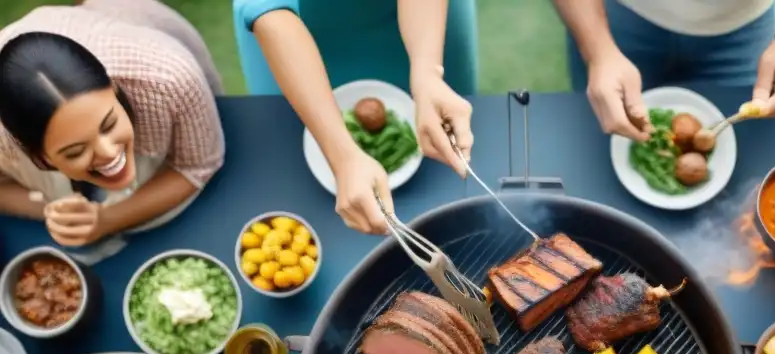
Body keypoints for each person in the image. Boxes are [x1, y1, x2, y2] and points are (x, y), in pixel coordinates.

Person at [0, 0, 224, 255]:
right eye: (75, 151)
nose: (108, 151)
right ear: (39, 158)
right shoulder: (3, 140)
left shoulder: (170, 80)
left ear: (115, 91)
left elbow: (197, 164)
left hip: (130, 18)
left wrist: (108, 220)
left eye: (109, 124)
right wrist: (53, 210)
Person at [234, 0, 477, 234]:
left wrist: (428, 73)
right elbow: (270, 9)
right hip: (285, 28)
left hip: (424, 19)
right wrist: (342, 157)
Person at [552, 0, 775, 142]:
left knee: (745, 151)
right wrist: (599, 52)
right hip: (616, 19)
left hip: (746, 29)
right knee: (602, 132)